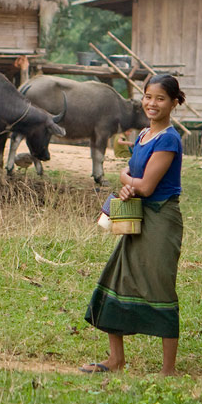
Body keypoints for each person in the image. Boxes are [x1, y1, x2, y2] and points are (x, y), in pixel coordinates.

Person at [82, 74, 185, 377]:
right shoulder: (142, 135)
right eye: (148, 96)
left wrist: (129, 183)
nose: (152, 104)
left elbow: (148, 185)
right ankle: (116, 359)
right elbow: (131, 173)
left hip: (160, 219)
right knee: (118, 278)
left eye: (161, 98)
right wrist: (130, 185)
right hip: (136, 213)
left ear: (174, 103)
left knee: (160, 285)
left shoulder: (169, 138)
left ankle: (168, 370)